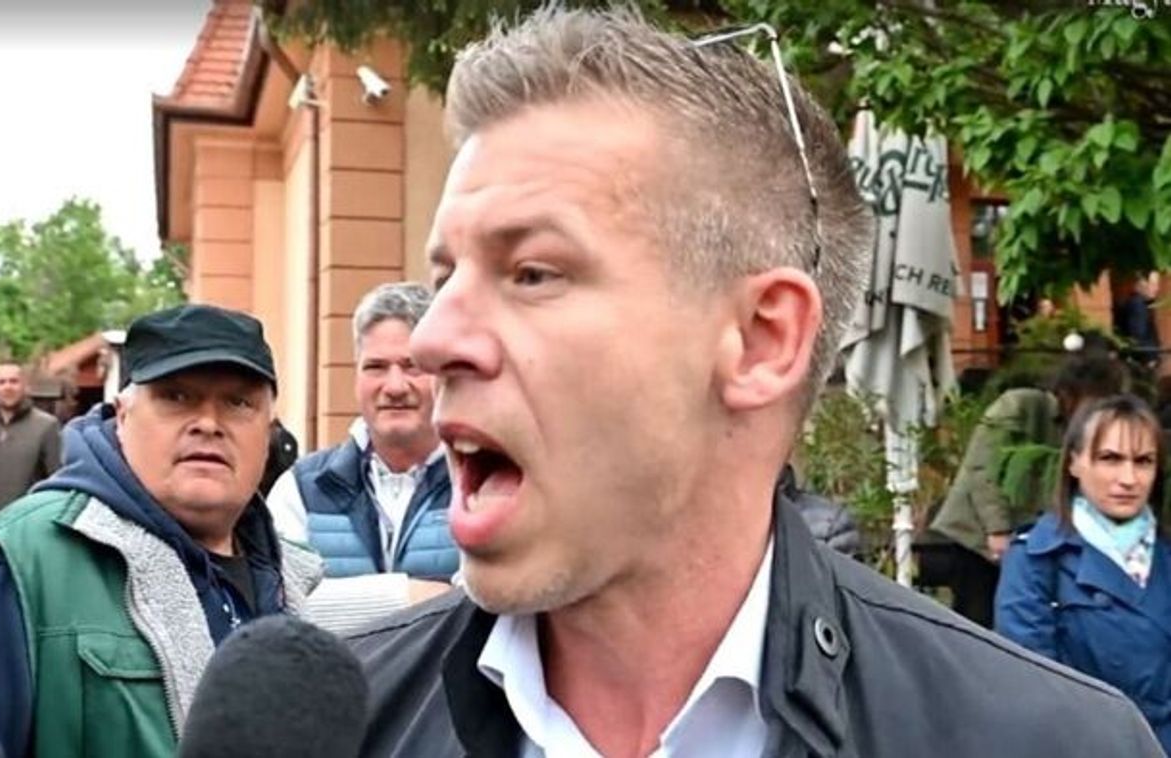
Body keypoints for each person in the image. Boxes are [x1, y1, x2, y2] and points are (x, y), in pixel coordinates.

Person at [345, 8, 1162, 756]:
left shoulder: (1047, 742)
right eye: (444, 279)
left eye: (531, 272)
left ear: (762, 339)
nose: (432, 339)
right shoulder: (340, 726)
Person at [0, 304, 317, 756]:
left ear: (270, 431)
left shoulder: (295, 580)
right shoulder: (12, 569)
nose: (208, 424)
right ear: (122, 415)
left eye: (238, 402)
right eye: (176, 397)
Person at [268, 282, 456, 633]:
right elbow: (275, 604)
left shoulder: (479, 482)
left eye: (412, 366)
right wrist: (408, 597)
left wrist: (339, 604)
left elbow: (486, 607)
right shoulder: (302, 489)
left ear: (443, 374)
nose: (395, 386)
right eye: (376, 367)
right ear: (356, 375)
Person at [997, 394, 1171, 753]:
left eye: (1143, 461)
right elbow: (1028, 685)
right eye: (1110, 458)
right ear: (1075, 462)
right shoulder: (1036, 559)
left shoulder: (1165, 558)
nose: (1128, 479)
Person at [927, 357, 1126, 626]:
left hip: (1029, 543)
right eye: (1093, 402)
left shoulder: (1085, 432)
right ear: (1069, 393)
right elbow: (984, 468)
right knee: (977, 621)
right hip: (978, 537)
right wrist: (997, 529)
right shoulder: (1019, 405)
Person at [0, 360, 62, 529]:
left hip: (25, 531)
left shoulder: (47, 426)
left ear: (26, 386)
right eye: (1, 382)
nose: (7, 387)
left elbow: (56, 482)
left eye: (14, 381)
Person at [1115, 272, 1162, 372]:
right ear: (1141, 285)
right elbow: (1137, 336)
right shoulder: (1137, 304)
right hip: (1142, 364)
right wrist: (1150, 359)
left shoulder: (1140, 303)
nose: (1157, 289)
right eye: (1153, 285)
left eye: (1157, 285)